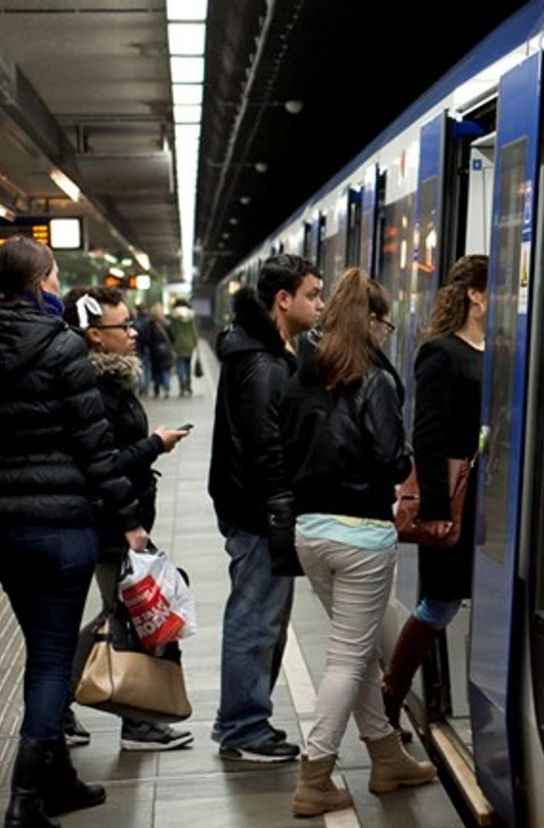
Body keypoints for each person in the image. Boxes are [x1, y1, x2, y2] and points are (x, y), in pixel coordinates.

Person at [0, 237, 149, 826]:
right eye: (55, 276)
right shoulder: (62, 347)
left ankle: (58, 781)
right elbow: (95, 447)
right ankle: (24, 801)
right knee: (50, 661)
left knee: (42, 648)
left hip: (5, 530)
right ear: (39, 285)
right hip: (62, 529)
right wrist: (130, 518)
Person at [281, 269, 435, 816]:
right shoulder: (376, 378)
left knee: (359, 649)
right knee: (348, 658)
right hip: (362, 534)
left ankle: (387, 757)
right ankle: (316, 773)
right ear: (368, 320)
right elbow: (392, 456)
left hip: (310, 532)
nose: (387, 331)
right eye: (385, 322)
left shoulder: (302, 369)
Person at [60, 287, 193, 752]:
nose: (133, 333)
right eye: (123, 326)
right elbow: (106, 462)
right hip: (110, 519)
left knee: (122, 614)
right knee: (120, 615)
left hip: (117, 515)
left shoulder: (111, 380)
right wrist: (155, 444)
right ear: (95, 335)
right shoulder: (93, 388)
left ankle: (98, 714)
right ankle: (84, 710)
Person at [208, 254, 323, 762]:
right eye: (313, 295)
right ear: (283, 300)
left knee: (262, 618)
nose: (319, 305)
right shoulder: (262, 364)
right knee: (255, 620)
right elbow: (266, 446)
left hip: (251, 506)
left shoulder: (260, 353)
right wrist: (283, 512)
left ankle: (246, 721)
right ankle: (242, 727)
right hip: (258, 511)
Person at [382, 254, 487, 734]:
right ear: (475, 295)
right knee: (441, 602)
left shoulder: (501, 352)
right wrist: (439, 510)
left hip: (493, 500)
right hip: (457, 498)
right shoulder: (441, 354)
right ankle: (391, 697)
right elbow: (426, 436)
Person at [169, 298, 199, 397]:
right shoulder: (191, 315)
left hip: (178, 343)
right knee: (188, 365)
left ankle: (182, 386)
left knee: (180, 365)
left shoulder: (174, 316)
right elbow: (194, 330)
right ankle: (189, 386)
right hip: (189, 343)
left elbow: (172, 330)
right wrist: (195, 342)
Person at [147, 303, 174, 398]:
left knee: (157, 371)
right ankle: (166, 389)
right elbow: (172, 337)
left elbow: (148, 339)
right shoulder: (167, 323)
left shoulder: (150, 325)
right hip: (165, 351)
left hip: (155, 352)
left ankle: (156, 389)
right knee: (165, 370)